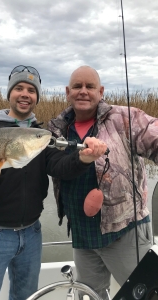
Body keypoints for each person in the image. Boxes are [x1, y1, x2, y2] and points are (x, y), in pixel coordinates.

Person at [0, 65, 107, 300]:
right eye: (19, 88)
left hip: (32, 234)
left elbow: (60, 167)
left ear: (36, 97)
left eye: (31, 90)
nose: (25, 94)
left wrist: (83, 158)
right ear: (9, 93)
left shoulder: (40, 135)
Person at [48, 65, 156, 300]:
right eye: (77, 86)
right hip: (82, 235)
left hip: (125, 231)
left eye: (90, 86)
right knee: (91, 296)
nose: (83, 91)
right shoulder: (56, 129)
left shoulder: (124, 117)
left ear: (101, 91)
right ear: (68, 92)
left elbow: (153, 135)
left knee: (146, 293)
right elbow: (54, 167)